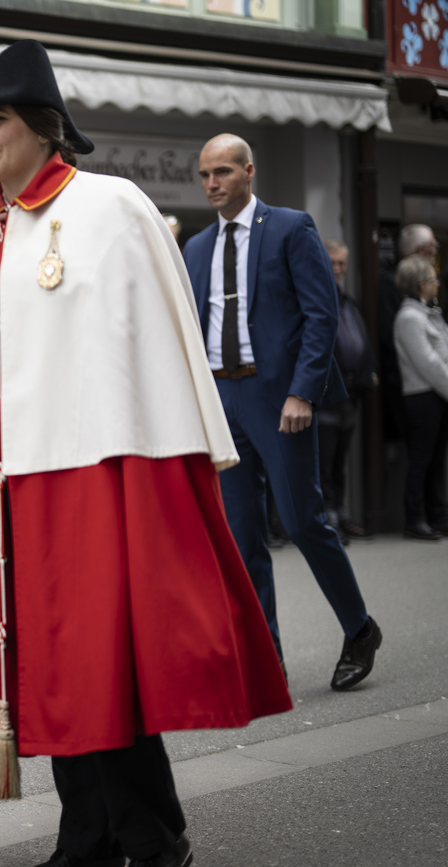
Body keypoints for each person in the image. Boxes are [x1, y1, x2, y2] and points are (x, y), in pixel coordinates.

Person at [0, 42, 291, 867]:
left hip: (94, 470)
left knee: (98, 662)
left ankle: (151, 837)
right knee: (41, 668)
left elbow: (148, 351)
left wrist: (153, 468)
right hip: (2, 487)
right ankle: (91, 834)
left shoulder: (112, 207)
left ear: (43, 124)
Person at [186, 133, 382, 690]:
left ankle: (360, 628)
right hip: (223, 402)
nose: (212, 183)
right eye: (204, 175)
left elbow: (321, 316)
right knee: (243, 535)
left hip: (280, 400)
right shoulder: (196, 248)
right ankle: (265, 656)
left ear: (249, 171)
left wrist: (302, 391)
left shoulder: (292, 228)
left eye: (222, 171)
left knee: (302, 522)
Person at [317, 240, 378, 540]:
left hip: (350, 396)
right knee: (323, 463)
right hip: (325, 397)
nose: (338, 269)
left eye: (342, 263)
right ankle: (327, 518)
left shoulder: (347, 300)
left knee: (340, 460)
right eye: (333, 262)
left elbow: (360, 340)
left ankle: (340, 512)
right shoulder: (315, 298)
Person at [392, 255, 448, 540]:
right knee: (421, 459)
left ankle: (438, 515)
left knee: (438, 459)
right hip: (423, 396)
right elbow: (428, 363)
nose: (437, 283)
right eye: (432, 278)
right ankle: (415, 519)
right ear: (419, 284)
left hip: (437, 394)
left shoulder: (428, 313)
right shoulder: (409, 317)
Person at [378, 224, 440, 439]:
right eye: (433, 247)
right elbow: (393, 339)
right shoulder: (401, 300)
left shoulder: (427, 303)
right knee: (421, 458)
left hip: (432, 385)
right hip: (410, 387)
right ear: (421, 250)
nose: (436, 284)